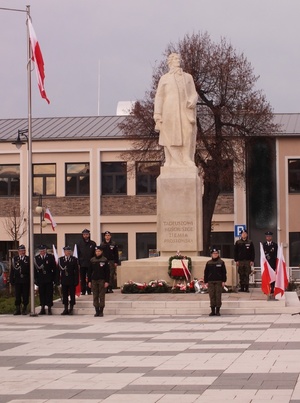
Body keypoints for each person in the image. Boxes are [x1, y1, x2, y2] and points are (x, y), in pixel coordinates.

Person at [153, 52, 198, 167]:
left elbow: (194, 93)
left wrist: (193, 100)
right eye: (176, 59)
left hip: (185, 109)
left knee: (187, 131)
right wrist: (157, 114)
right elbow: (159, 97)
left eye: (179, 58)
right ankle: (169, 160)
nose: (178, 60)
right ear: (170, 62)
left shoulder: (188, 77)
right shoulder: (164, 78)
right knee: (168, 134)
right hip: (169, 110)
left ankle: (186, 158)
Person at [34, 244, 56, 315]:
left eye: (43, 250)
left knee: (49, 293)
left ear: (45, 250)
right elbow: (35, 270)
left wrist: (54, 278)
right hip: (40, 278)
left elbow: (54, 268)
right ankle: (42, 307)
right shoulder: (36, 258)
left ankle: (49, 308)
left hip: (49, 278)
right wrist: (36, 279)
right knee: (42, 293)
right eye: (41, 251)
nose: (42, 252)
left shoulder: (50, 257)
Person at [204, 247, 227, 316]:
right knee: (212, 296)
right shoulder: (209, 263)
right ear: (211, 254)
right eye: (214, 253)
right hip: (210, 281)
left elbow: (224, 272)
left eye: (216, 253)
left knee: (218, 296)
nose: (215, 254)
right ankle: (212, 311)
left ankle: (217, 311)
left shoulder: (221, 262)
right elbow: (206, 273)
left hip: (218, 281)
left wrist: (223, 281)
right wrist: (206, 281)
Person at [88, 245, 110, 317]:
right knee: (95, 296)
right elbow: (89, 271)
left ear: (101, 252)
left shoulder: (104, 260)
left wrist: (107, 281)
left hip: (102, 280)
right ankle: (96, 310)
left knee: (101, 296)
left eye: (99, 251)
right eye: (96, 251)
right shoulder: (92, 260)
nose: (97, 252)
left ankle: (101, 311)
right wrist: (89, 281)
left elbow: (107, 272)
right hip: (94, 280)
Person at [58, 246, 80, 315]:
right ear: (64, 252)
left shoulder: (74, 259)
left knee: (72, 294)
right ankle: (65, 308)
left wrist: (77, 280)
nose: (68, 252)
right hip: (64, 279)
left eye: (69, 251)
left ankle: (71, 308)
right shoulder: (60, 259)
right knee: (65, 294)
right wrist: (58, 280)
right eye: (67, 251)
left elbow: (76, 271)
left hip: (72, 279)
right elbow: (58, 270)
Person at [10, 244, 30, 315]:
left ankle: (25, 308)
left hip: (25, 279)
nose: (23, 252)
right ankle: (17, 308)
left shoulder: (28, 259)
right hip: (18, 280)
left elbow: (30, 270)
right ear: (18, 251)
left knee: (25, 294)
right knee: (17, 295)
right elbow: (12, 270)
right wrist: (11, 279)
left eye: (24, 251)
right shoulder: (15, 259)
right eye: (21, 251)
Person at [77, 229, 97, 295]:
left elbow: (95, 254)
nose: (85, 236)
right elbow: (77, 253)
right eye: (84, 234)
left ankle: (89, 290)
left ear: (89, 235)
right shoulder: (79, 243)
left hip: (90, 263)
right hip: (82, 263)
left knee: (90, 277)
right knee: (82, 278)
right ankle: (83, 290)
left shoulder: (93, 243)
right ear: (82, 235)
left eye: (87, 234)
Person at [263, 231, 278, 299]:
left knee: (272, 276)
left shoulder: (275, 245)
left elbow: (276, 254)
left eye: (269, 236)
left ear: (271, 237)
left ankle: (272, 288)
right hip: (266, 263)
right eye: (267, 236)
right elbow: (263, 254)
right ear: (266, 237)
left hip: (272, 263)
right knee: (267, 276)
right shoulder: (264, 245)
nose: (268, 237)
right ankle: (267, 288)